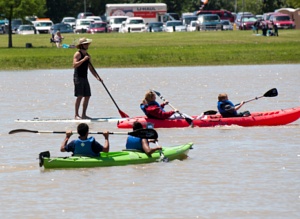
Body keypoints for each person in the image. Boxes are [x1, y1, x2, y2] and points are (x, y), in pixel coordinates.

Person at [73, 37, 102, 120]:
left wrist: (97, 77)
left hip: (85, 77)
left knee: (87, 95)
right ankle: (76, 115)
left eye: (87, 44)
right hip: (78, 77)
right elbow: (74, 65)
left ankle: (84, 114)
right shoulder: (78, 54)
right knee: (80, 96)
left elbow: (91, 68)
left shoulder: (88, 55)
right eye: (85, 44)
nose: (87, 45)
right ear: (82, 45)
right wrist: (83, 60)